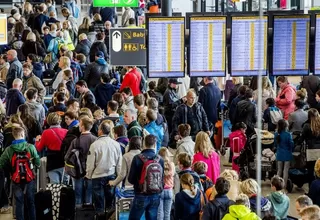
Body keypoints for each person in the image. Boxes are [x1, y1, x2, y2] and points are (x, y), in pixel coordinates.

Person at [0, 126, 40, 220]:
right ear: (23, 134)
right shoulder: (30, 147)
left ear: (14, 136)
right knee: (31, 201)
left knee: (19, 202)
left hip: (15, 178)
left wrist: (9, 168)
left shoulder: (9, 149)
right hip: (29, 178)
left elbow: (1, 163)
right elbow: (37, 161)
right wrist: (34, 165)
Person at [86, 120, 122, 213]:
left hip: (97, 176)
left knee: (99, 204)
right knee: (110, 204)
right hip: (111, 175)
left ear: (100, 130)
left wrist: (88, 175)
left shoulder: (94, 145)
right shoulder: (116, 144)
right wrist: (118, 179)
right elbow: (119, 163)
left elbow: (90, 164)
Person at [128, 134, 164, 220]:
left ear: (143, 144)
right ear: (155, 144)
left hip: (141, 194)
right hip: (155, 194)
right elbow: (162, 178)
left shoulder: (137, 158)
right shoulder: (160, 159)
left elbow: (131, 179)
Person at [65, 116, 97, 206]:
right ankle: (88, 213)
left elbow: (67, 156)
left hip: (78, 171)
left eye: (80, 124)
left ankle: (78, 214)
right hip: (92, 171)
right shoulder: (95, 140)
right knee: (89, 193)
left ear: (83, 127)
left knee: (78, 194)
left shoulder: (76, 141)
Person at [35, 113, 68, 183]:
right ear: (59, 120)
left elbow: (39, 148)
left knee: (54, 185)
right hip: (64, 161)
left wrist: (37, 141)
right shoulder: (66, 131)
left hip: (52, 162)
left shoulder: (46, 133)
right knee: (65, 184)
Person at [299, 108, 320, 186]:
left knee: (310, 170)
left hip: (311, 150)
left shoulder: (307, 125)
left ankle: (311, 188)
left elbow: (302, 138)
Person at [274, 119, 294, 189]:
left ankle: (276, 185)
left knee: (279, 170)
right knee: (285, 171)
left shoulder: (276, 134)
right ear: (286, 126)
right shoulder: (288, 134)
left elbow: (275, 144)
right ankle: (284, 186)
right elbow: (291, 144)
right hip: (287, 154)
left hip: (279, 153)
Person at [157, 147, 175, 220]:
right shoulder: (172, 164)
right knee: (167, 213)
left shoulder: (158, 164)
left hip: (160, 190)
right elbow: (173, 174)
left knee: (159, 213)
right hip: (169, 190)